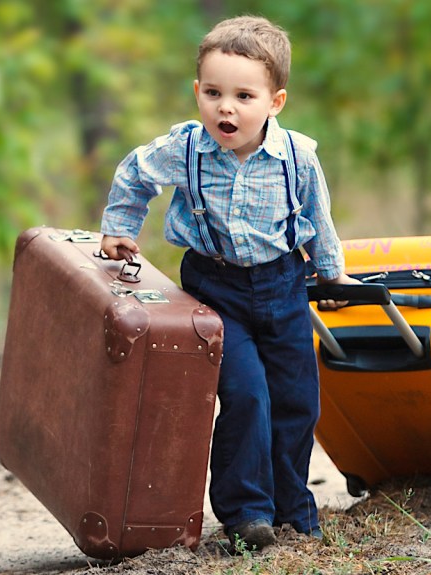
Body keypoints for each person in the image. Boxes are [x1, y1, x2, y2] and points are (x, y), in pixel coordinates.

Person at [99, 15, 355, 551]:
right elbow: (135, 172)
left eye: (243, 95)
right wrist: (120, 229)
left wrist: (330, 273)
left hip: (284, 284)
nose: (226, 108)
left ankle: (293, 508)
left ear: (275, 102)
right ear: (197, 92)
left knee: (296, 401)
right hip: (215, 291)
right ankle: (246, 514)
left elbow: (318, 218)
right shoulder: (187, 149)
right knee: (246, 394)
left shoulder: (297, 159)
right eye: (213, 93)